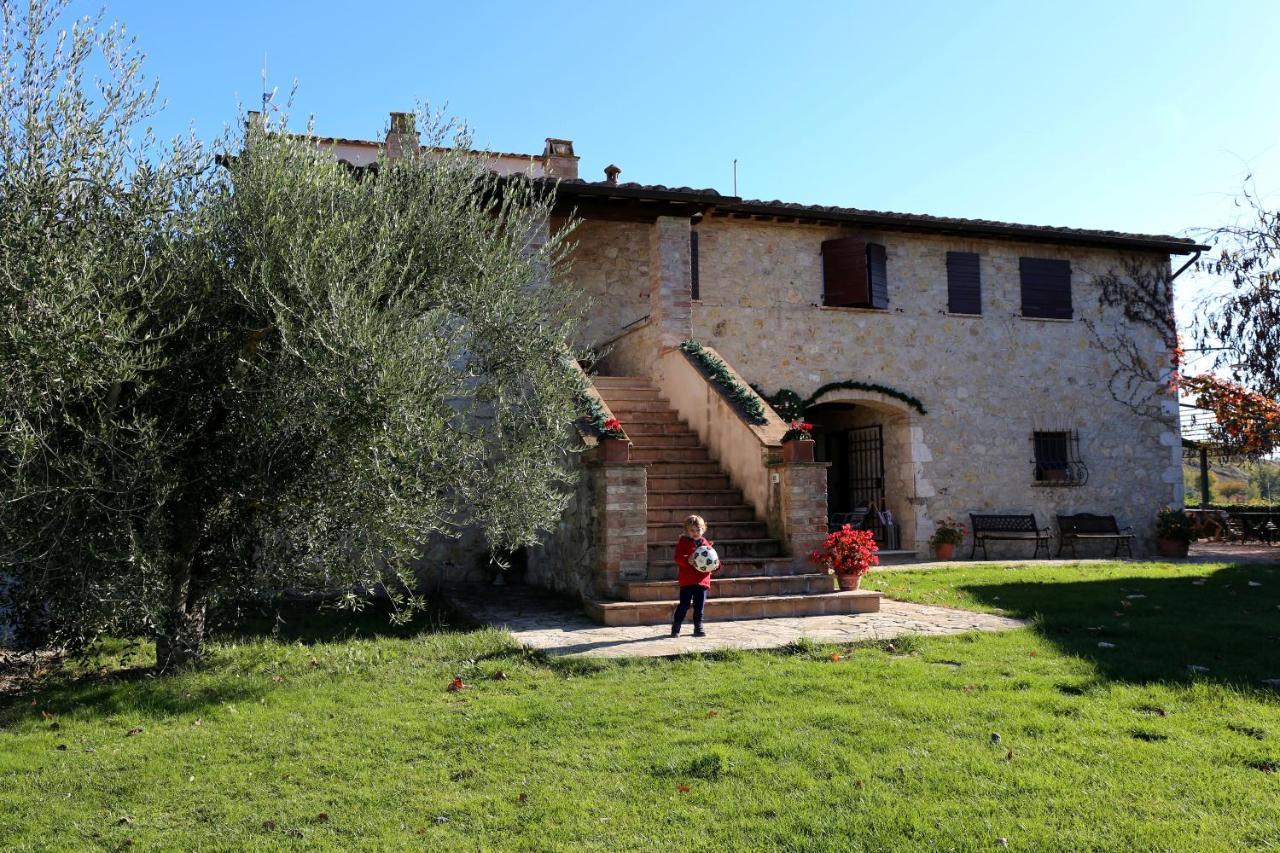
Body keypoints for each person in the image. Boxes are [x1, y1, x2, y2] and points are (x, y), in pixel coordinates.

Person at [672, 514, 715, 637]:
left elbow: (713, 559)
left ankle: (698, 627)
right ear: (687, 531)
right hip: (687, 581)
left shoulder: (705, 544)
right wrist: (687, 559)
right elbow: (678, 558)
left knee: (699, 606)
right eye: (692, 530)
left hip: (702, 581)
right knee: (684, 605)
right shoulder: (683, 542)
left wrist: (716, 565)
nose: (695, 533)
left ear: (703, 529)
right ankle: (676, 627)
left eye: (698, 530)